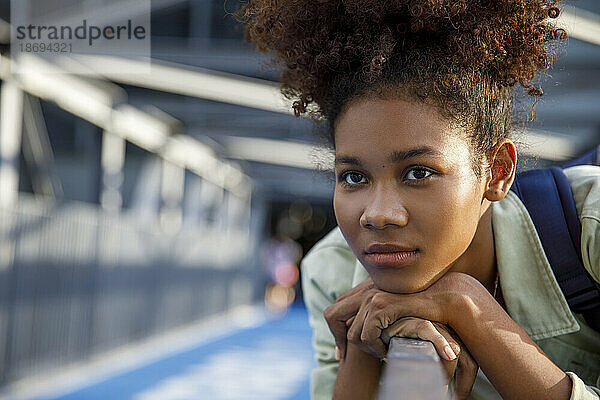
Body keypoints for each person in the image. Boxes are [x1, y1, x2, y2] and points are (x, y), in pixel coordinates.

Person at [237, 0, 600, 399]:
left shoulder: (589, 228)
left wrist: (468, 306)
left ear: (497, 172)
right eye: (354, 177)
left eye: (418, 173)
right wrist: (362, 351)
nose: (378, 215)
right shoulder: (333, 271)